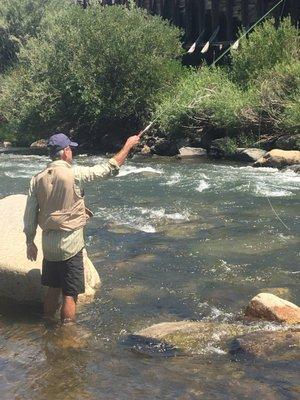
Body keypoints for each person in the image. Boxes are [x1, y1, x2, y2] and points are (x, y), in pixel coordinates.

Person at [24, 132, 140, 324]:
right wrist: (128, 145)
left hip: (48, 245)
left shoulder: (36, 180)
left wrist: (30, 242)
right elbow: (109, 168)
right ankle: (67, 334)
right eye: (71, 149)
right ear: (65, 152)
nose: (72, 153)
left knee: (53, 288)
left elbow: (29, 215)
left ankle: (46, 324)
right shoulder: (75, 174)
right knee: (70, 294)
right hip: (71, 245)